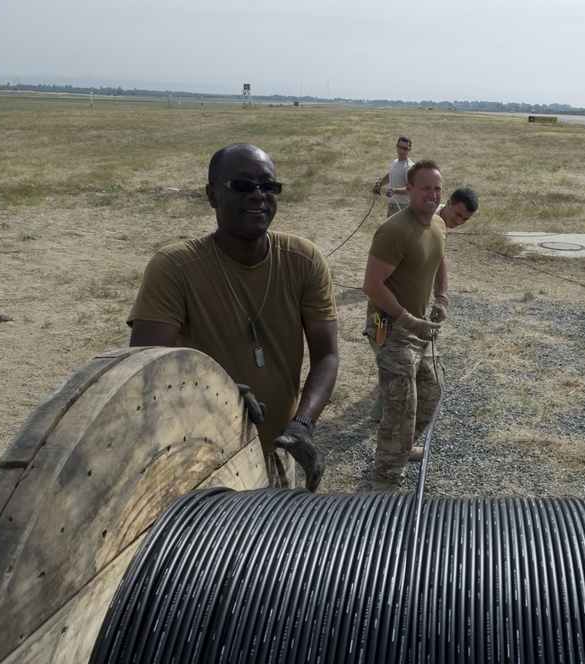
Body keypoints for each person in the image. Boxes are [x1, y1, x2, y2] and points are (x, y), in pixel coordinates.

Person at [128, 143, 339, 491]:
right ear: (212, 195)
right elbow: (147, 373)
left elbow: (327, 355)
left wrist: (302, 424)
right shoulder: (175, 269)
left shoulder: (303, 260)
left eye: (268, 186)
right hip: (203, 458)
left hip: (276, 451)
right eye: (241, 186)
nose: (258, 195)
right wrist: (214, 394)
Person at [363, 159, 448, 491]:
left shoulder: (437, 224)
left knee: (431, 392)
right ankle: (384, 483)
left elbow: (439, 258)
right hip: (390, 326)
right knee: (401, 404)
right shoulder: (395, 230)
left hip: (416, 328)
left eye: (438, 188)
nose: (433, 194)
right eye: (425, 188)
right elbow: (372, 286)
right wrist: (408, 319)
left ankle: (396, 449)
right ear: (409, 190)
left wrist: (441, 298)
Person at [372, 136, 414, 217]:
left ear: (409, 150)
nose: (402, 151)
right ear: (396, 146)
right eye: (400, 147)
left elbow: (411, 189)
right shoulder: (395, 162)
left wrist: (394, 191)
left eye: (405, 149)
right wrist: (380, 184)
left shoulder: (409, 167)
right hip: (392, 204)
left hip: (404, 207)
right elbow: (390, 175)